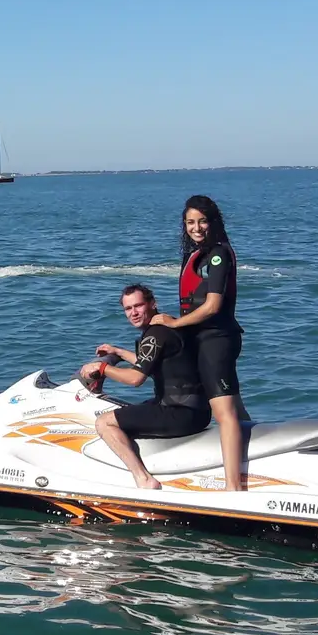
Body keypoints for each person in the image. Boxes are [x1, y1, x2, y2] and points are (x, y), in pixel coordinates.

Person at [147, 195, 252, 492]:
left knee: (224, 412)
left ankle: (234, 489)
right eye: (190, 222)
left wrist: (174, 324)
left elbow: (212, 306)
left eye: (202, 221)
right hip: (199, 340)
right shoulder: (195, 254)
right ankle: (256, 459)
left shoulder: (218, 254)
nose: (196, 227)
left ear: (213, 222)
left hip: (216, 341)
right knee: (233, 408)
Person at [77, 284, 211, 490]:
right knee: (129, 412)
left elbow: (135, 378)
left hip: (180, 412)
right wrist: (119, 352)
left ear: (152, 303)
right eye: (128, 309)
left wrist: (102, 368)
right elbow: (147, 364)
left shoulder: (155, 334)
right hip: (194, 409)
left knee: (104, 422)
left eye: (138, 306)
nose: (134, 313)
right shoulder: (166, 327)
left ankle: (144, 479)